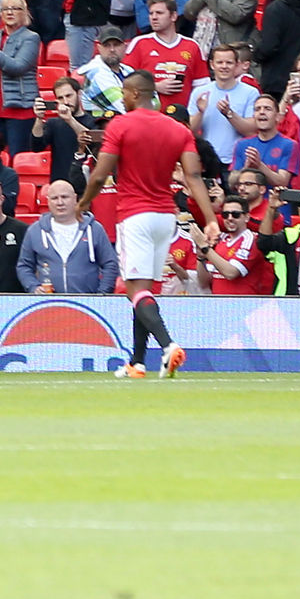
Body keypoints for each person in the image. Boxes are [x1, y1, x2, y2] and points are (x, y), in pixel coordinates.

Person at [84, 70, 211, 377]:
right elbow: (193, 176)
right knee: (145, 289)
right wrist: (210, 219)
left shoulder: (121, 125)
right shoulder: (178, 129)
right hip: (165, 216)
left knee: (135, 290)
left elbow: (100, 175)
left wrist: (83, 202)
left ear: (137, 94)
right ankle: (137, 363)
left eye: (124, 93)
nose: (122, 99)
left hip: (135, 214)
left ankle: (168, 345)